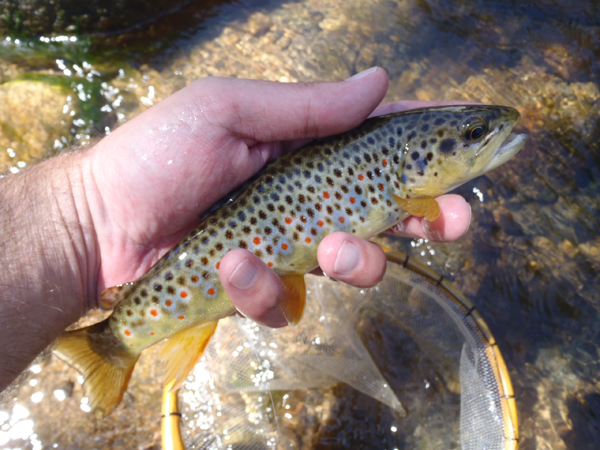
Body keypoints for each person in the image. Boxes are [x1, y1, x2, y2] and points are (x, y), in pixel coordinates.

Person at [0, 67, 471, 393]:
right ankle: (109, 344)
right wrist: (91, 210)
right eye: (471, 135)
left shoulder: (410, 184)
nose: (479, 139)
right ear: (416, 159)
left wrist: (88, 217)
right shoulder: (416, 197)